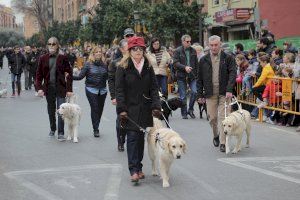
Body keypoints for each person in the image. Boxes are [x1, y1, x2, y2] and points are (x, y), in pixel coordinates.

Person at [115, 36, 161, 183]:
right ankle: (133, 170)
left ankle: (139, 167)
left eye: (140, 49)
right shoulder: (122, 67)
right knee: (133, 138)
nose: (138, 51)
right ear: (129, 51)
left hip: (145, 107)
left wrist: (156, 106)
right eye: (134, 49)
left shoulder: (148, 66)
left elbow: (154, 88)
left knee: (141, 138)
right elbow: (119, 90)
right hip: (129, 108)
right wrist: (121, 109)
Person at [197, 35, 236, 152]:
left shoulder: (228, 58)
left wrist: (229, 89)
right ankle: (216, 135)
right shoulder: (203, 60)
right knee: (212, 118)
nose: (214, 47)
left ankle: (223, 143)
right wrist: (200, 95)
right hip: (210, 92)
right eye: (211, 45)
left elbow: (233, 74)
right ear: (209, 46)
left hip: (224, 92)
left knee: (224, 117)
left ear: (220, 44)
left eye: (216, 45)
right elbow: (199, 79)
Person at [36, 37, 73, 141]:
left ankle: (61, 132)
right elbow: (39, 75)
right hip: (49, 88)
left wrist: (69, 89)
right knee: (51, 110)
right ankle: (53, 129)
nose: (51, 46)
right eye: (49, 44)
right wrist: (39, 88)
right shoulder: (43, 58)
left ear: (57, 45)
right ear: (47, 45)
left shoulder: (63, 58)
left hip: (61, 88)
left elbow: (69, 74)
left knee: (61, 110)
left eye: (53, 44)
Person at [73, 46, 108, 137]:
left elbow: (109, 77)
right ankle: (95, 129)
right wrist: (69, 76)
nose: (98, 53)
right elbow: (80, 76)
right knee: (95, 108)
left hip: (103, 90)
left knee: (100, 110)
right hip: (91, 89)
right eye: (96, 52)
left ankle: (97, 125)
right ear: (93, 54)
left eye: (100, 52)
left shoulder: (105, 64)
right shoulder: (88, 64)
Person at [108, 39, 128, 151]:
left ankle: (131, 141)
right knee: (121, 118)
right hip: (120, 95)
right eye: (127, 47)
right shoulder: (115, 63)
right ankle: (121, 141)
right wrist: (113, 96)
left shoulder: (135, 61)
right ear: (121, 49)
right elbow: (111, 80)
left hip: (133, 95)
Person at [173, 34, 198, 119]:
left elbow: (196, 63)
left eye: (190, 41)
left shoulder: (193, 50)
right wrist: (185, 67)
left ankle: (190, 110)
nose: (189, 43)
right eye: (187, 41)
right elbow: (175, 63)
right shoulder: (177, 51)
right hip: (181, 75)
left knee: (194, 92)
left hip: (192, 75)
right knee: (183, 95)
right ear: (183, 42)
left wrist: (197, 74)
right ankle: (184, 113)